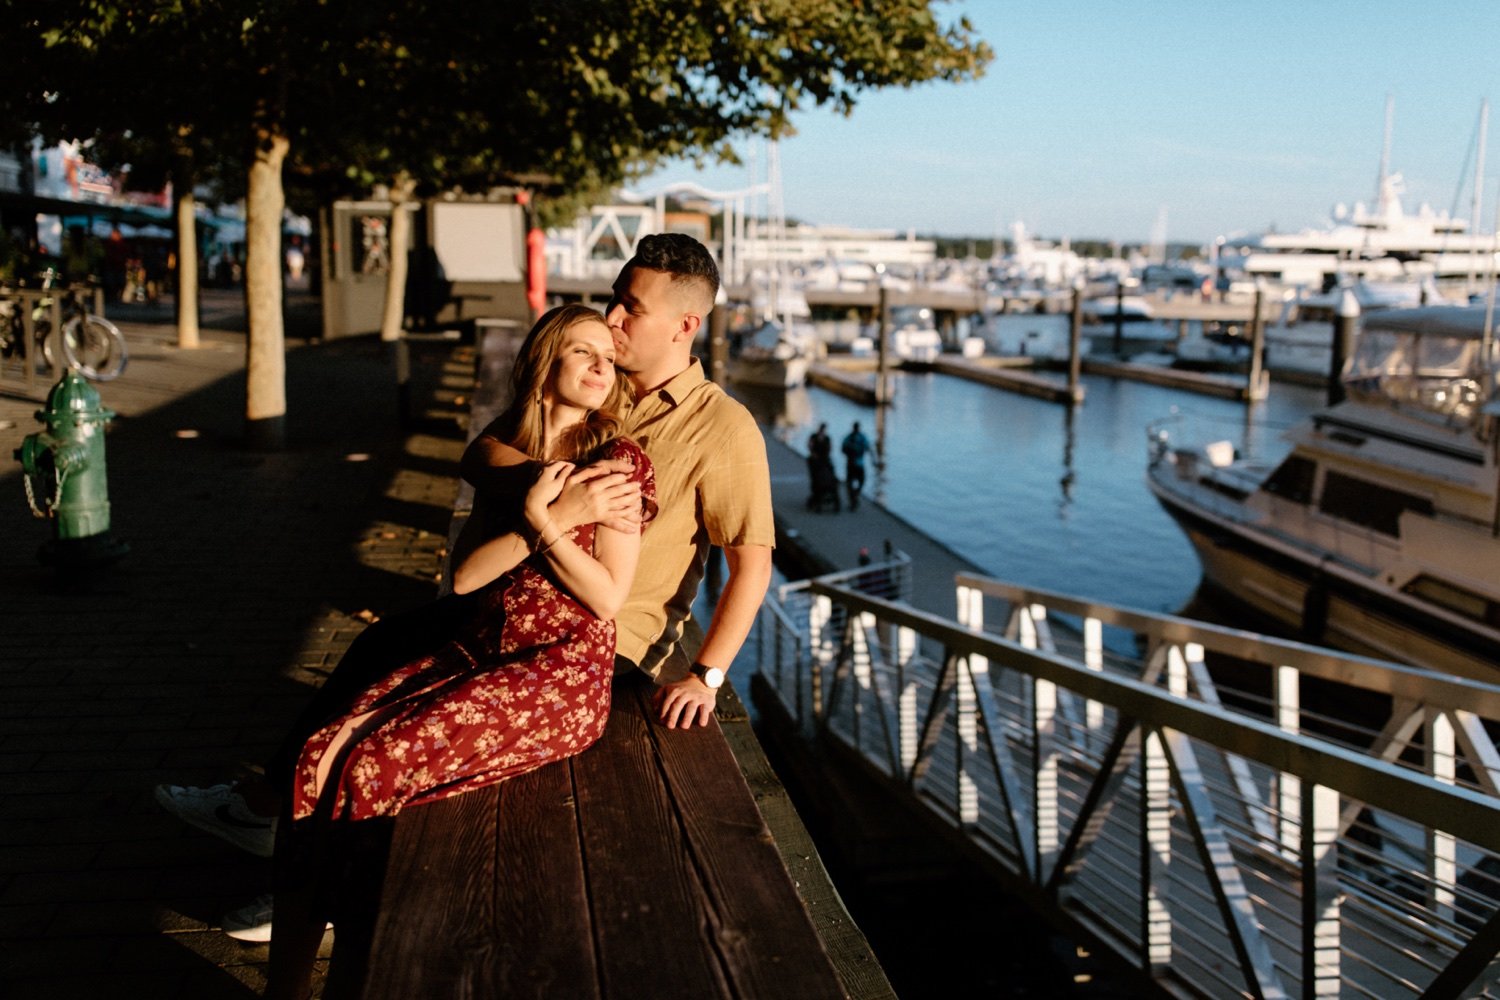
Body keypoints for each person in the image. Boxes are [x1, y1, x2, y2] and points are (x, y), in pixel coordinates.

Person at [259, 303, 656, 998]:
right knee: (322, 751)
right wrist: (548, 515)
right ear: (545, 364)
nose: (602, 366)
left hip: (560, 672)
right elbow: (469, 574)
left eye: (607, 357)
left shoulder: (616, 462)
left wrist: (547, 528)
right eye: (583, 352)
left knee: (374, 767)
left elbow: (607, 597)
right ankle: (286, 984)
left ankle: (357, 972)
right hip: (483, 647)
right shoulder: (514, 451)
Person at [464, 232, 775, 728]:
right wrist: (562, 489)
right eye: (614, 299)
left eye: (631, 308)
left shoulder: (724, 428)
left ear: (685, 325)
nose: (611, 318)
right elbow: (480, 453)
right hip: (515, 609)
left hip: (613, 650)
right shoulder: (594, 382)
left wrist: (706, 676)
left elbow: (752, 566)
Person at [805, 422, 839, 512]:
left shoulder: (827, 438)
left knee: (830, 473)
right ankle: (816, 496)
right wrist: (814, 455)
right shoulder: (814, 437)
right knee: (816, 478)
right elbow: (810, 446)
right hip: (815, 461)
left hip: (824, 460)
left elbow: (829, 449)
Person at [840, 420, 871, 511]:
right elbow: (868, 448)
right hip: (854, 464)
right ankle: (853, 499)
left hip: (855, 464)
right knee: (854, 482)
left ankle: (854, 496)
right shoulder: (852, 438)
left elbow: (868, 448)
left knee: (857, 482)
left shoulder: (856, 438)